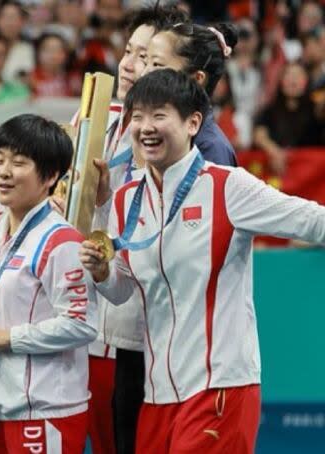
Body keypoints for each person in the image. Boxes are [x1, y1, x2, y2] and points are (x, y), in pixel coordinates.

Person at [80, 68, 325, 454]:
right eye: (138, 116)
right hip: (157, 392)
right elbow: (124, 288)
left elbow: (314, 221)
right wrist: (103, 271)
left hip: (219, 388)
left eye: (159, 115)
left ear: (193, 122)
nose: (146, 127)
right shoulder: (127, 199)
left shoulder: (228, 186)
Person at [63, 5, 189, 454]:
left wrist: (105, 197)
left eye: (153, 61)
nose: (134, 67)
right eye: (131, 53)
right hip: (83, 319)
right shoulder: (92, 118)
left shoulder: (188, 139)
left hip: (144, 330)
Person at [0, 113, 97, 453]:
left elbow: (81, 325)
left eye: (19, 163)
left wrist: (5, 339)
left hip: (43, 411)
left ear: (51, 176)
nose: (4, 172)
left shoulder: (63, 241)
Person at [143, 21, 239, 167]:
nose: (144, 74)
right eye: (145, 63)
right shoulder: (148, 130)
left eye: (157, 65)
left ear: (196, 79)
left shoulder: (212, 149)